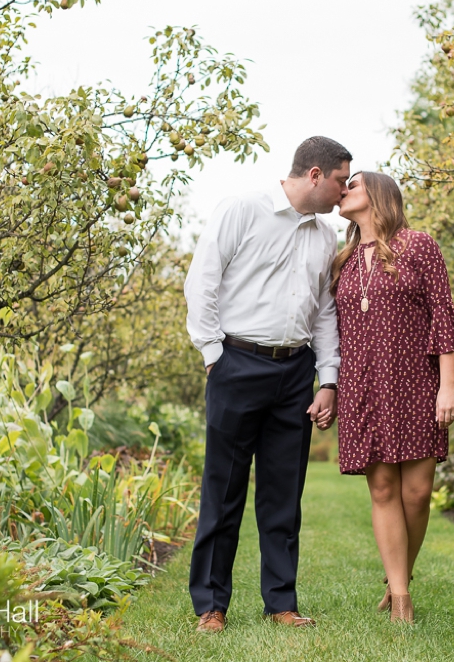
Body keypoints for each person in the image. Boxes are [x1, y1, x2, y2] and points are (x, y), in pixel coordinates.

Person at [183, 136, 350, 633]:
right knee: (224, 490)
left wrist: (328, 379)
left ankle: (281, 603)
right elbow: (202, 282)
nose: (344, 193)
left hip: (296, 374)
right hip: (237, 364)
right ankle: (210, 606)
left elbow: (323, 313)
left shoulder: (326, 236)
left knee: (283, 496)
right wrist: (214, 356)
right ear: (315, 175)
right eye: (341, 181)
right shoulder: (241, 209)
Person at [320, 170, 454, 624]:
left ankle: (397, 577)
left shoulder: (418, 244)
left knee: (418, 494)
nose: (344, 191)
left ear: (380, 196)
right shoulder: (342, 259)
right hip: (364, 385)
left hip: (417, 382)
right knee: (383, 489)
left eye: (355, 184)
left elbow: (442, 314)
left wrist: (448, 384)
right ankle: (401, 601)